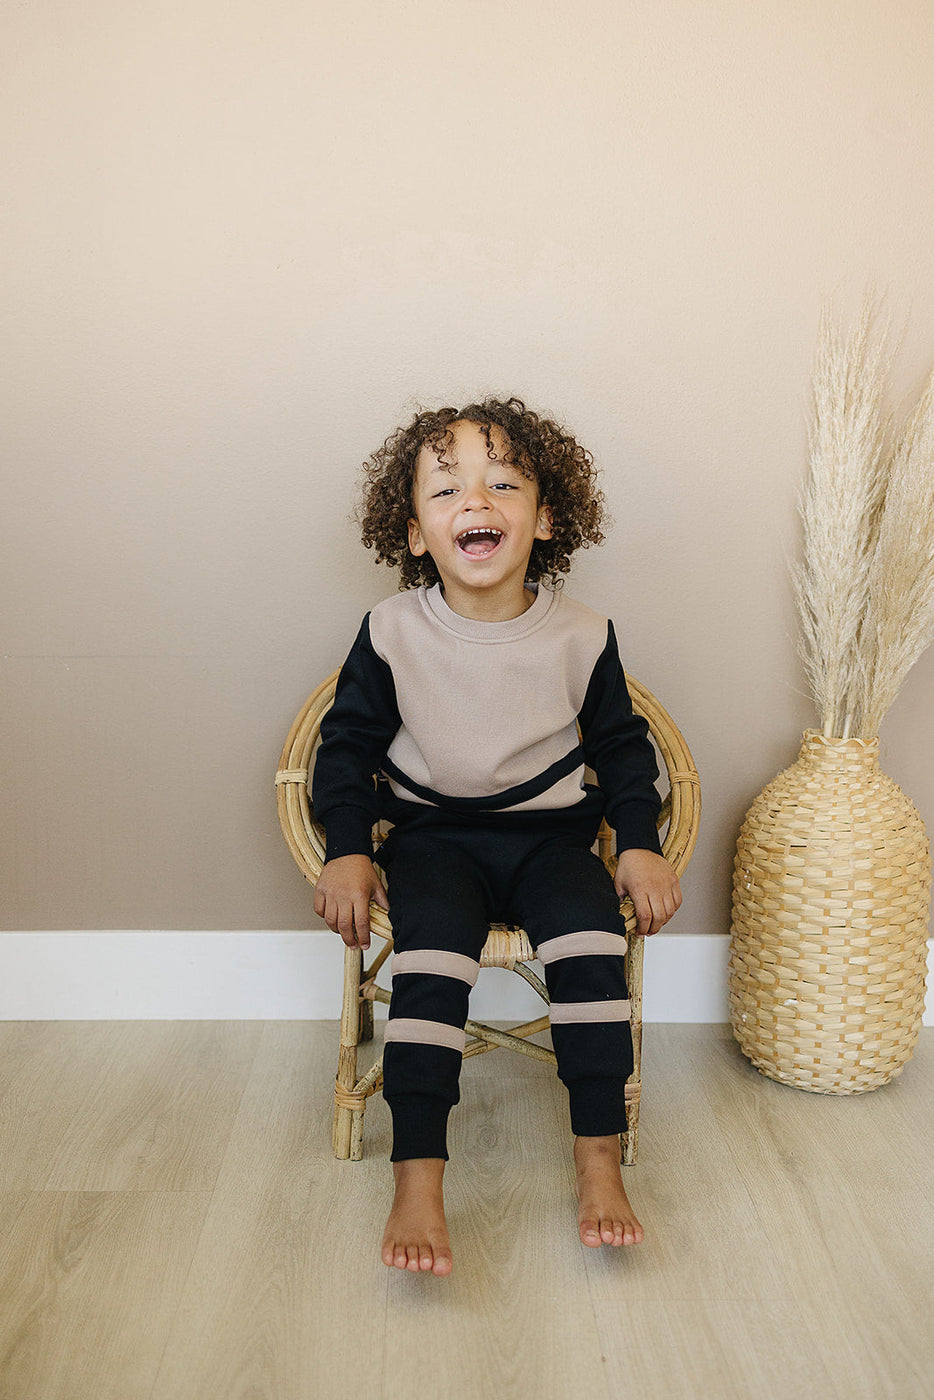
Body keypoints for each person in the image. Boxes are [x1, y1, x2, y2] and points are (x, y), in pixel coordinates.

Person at [312, 397, 682, 1277]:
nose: (475, 500)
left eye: (503, 484)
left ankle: (598, 1160)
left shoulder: (583, 634)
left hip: (552, 846)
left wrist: (638, 841)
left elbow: (624, 751)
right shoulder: (392, 632)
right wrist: (347, 848)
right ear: (415, 534)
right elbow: (346, 748)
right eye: (447, 490)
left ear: (545, 519)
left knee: (591, 948)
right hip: (431, 844)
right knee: (431, 962)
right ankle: (418, 1177)